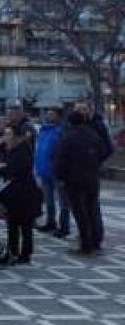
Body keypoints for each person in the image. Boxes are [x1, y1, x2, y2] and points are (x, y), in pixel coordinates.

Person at [54, 108, 108, 255]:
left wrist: (60, 177)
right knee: (92, 209)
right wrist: (94, 162)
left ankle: (86, 244)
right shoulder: (92, 135)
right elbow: (104, 150)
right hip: (92, 177)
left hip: (74, 179)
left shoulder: (68, 137)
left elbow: (60, 159)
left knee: (80, 212)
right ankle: (96, 240)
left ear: (70, 122)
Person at [0, 124, 42, 264]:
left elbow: (14, 170)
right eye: (5, 134)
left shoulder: (22, 151)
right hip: (13, 193)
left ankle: (25, 254)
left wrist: (3, 167)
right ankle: (12, 251)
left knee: (25, 226)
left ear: (18, 137)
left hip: (24, 194)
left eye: (9, 134)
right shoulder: (9, 149)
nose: (6, 137)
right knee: (12, 225)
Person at [33, 108, 69, 237]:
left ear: (59, 116)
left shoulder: (61, 131)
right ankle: (50, 222)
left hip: (57, 170)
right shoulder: (43, 130)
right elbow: (39, 149)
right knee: (48, 200)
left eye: (52, 114)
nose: (48, 116)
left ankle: (64, 226)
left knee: (62, 200)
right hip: (44, 169)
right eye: (47, 114)